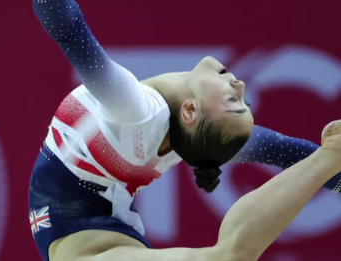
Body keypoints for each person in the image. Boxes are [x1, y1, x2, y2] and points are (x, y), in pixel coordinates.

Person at [29, 0, 341, 260]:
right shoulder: (191, 138)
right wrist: (331, 159)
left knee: (230, 256)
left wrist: (330, 158)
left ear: (191, 110)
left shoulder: (133, 110)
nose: (241, 84)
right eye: (243, 101)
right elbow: (288, 150)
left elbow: (66, 27)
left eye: (234, 100)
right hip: (106, 235)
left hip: (87, 251)